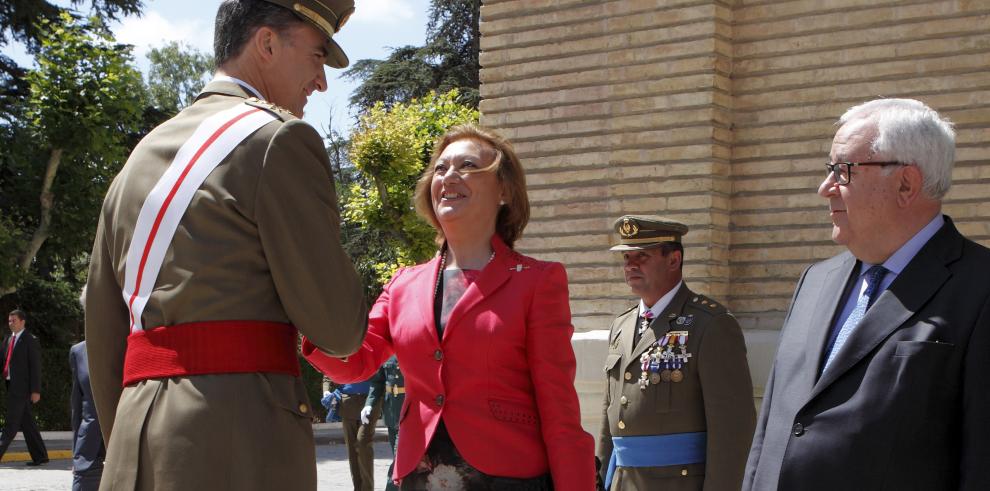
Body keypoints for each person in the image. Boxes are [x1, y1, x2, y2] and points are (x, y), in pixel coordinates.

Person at [83, 1, 367, 489]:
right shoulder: (279, 140)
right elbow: (339, 329)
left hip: (134, 446)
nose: (321, 82)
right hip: (240, 449)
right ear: (267, 43)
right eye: (318, 56)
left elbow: (106, 334)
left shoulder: (138, 160)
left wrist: (133, 439)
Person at [304, 125, 596, 490]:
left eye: (468, 165)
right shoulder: (403, 283)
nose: (449, 176)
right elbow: (356, 362)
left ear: (504, 190)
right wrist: (304, 313)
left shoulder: (538, 281)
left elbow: (560, 410)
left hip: (505, 477)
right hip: (417, 473)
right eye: (440, 169)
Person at [744, 98, 990, 490]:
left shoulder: (979, 288)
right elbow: (772, 432)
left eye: (842, 171)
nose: (825, 188)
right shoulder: (815, 280)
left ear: (906, 184)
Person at [597, 216, 755, 490]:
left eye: (642, 256)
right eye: (626, 257)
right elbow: (608, 419)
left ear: (674, 260)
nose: (630, 265)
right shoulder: (621, 327)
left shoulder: (711, 324)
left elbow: (733, 433)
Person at [0, 309, 48, 466]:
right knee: (27, 424)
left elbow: (35, 367)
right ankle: (41, 456)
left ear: (22, 321)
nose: (10, 323)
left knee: (11, 425)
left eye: (13, 320)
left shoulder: (30, 340)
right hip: (10, 386)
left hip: (22, 389)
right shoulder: (8, 339)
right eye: (9, 321)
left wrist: (36, 390)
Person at [365, 355, 404, 491]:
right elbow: (377, 382)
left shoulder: (414, 347)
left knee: (399, 459)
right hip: (392, 414)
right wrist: (369, 404)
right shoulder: (386, 352)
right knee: (398, 457)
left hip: (410, 412)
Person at [70, 341, 104, 491]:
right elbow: (77, 406)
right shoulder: (78, 351)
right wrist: (76, 455)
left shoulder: (131, 342)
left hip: (128, 444)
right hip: (89, 446)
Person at [338, 376, 382, 491]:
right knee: (352, 450)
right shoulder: (340, 356)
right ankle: (357, 488)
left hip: (370, 400)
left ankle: (367, 489)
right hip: (348, 402)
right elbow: (328, 372)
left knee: (362, 443)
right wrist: (326, 391)